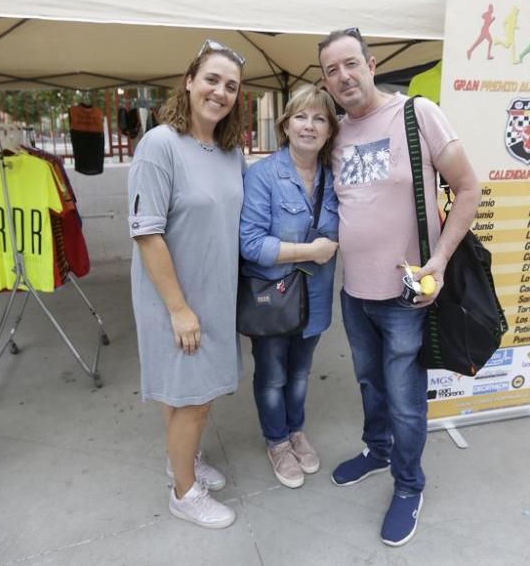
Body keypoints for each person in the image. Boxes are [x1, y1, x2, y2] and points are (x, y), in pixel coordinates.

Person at [317, 28, 481, 546]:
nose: (343, 76)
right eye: (330, 70)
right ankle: (378, 450)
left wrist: (438, 259)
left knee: (407, 400)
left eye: (350, 64)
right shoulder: (335, 134)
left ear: (370, 62)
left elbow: (469, 188)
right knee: (368, 383)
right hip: (355, 294)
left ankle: (409, 485)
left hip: (409, 296)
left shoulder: (418, 114)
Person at [127, 39, 247, 529]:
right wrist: (179, 308)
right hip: (174, 297)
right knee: (193, 398)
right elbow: (146, 232)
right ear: (190, 81)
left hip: (216, 292)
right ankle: (184, 492)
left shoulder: (229, 151)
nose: (220, 91)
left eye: (232, 86)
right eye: (212, 80)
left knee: (186, 395)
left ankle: (184, 459)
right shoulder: (159, 145)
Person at [239, 85, 340, 489]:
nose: (309, 126)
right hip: (273, 300)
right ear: (285, 125)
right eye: (301, 117)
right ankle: (277, 441)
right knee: (273, 375)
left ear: (330, 130)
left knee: (300, 373)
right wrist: (308, 251)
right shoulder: (263, 175)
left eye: (319, 118)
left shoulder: (335, 179)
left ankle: (295, 430)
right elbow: (249, 243)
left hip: (314, 299)